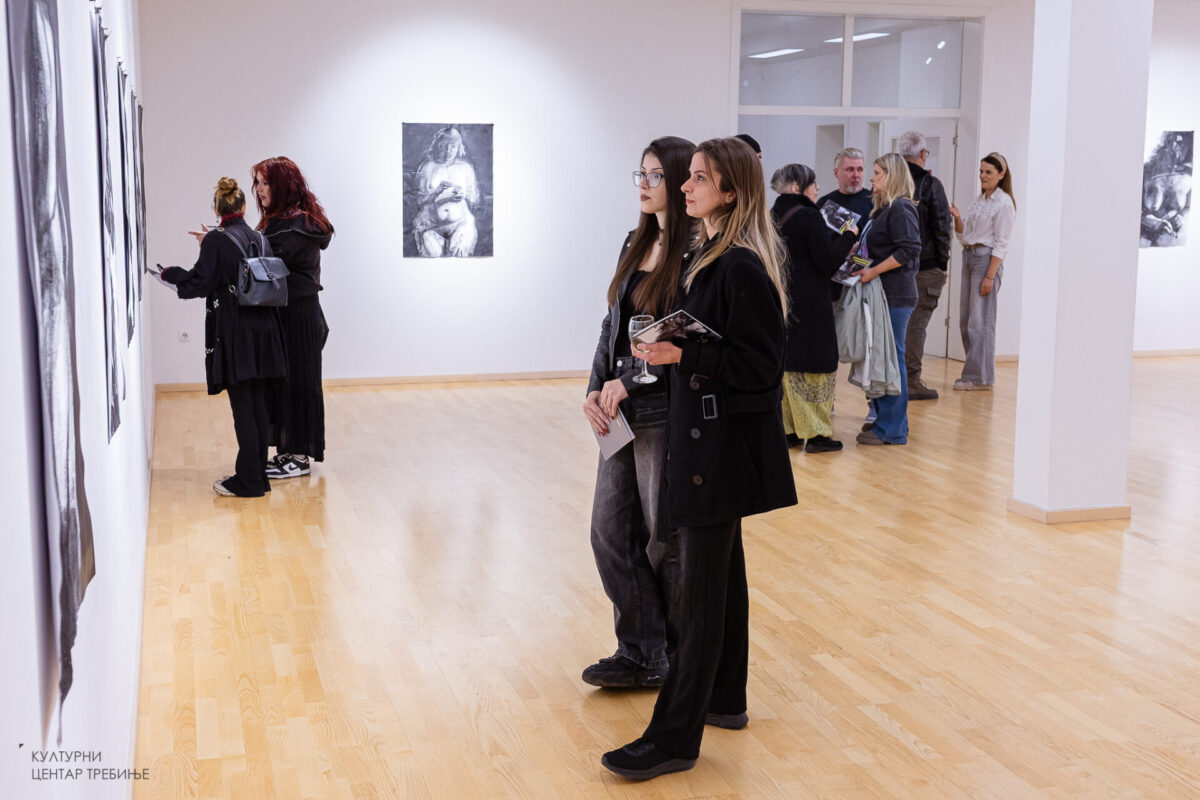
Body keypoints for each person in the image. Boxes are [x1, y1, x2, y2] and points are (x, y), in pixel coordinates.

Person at [601, 137, 797, 780]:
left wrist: (685, 354)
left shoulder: (739, 266)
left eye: (699, 179)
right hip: (704, 443)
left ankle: (674, 738)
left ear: (730, 192)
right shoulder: (708, 260)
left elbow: (763, 370)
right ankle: (725, 698)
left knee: (702, 598)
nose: (685, 188)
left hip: (717, 453)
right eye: (685, 178)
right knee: (724, 579)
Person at [581, 136, 694, 689]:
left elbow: (680, 338)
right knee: (609, 532)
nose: (644, 185)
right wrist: (594, 387)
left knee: (661, 540)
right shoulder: (636, 240)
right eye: (641, 175)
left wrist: (625, 383)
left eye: (655, 175)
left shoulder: (696, 252)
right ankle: (641, 650)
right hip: (620, 409)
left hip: (661, 409)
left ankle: (668, 656)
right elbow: (613, 324)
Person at [161, 178, 287, 497]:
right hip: (267, 332)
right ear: (243, 207)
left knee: (243, 407)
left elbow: (199, 282)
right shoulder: (259, 236)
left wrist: (169, 273)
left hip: (238, 332)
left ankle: (249, 482)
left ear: (217, 209)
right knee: (257, 406)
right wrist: (210, 243)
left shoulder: (217, 240)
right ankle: (257, 476)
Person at [251, 157, 335, 479]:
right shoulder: (281, 221)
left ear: (283, 186)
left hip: (299, 315)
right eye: (258, 183)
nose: (259, 190)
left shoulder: (297, 226)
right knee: (284, 384)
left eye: (265, 183)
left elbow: (263, 259)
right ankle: (288, 451)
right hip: (286, 313)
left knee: (300, 383)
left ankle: (298, 457)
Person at [769, 163, 856, 453]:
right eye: (813, 183)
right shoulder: (810, 215)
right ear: (797, 187)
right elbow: (826, 261)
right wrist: (849, 236)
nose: (817, 188)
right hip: (812, 304)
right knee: (818, 363)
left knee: (790, 363)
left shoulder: (771, 216)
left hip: (784, 301)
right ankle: (818, 435)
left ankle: (791, 430)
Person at [853, 153, 922, 446]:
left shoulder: (901, 208)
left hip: (894, 295)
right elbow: (877, 251)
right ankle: (885, 420)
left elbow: (909, 250)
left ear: (892, 176)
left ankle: (892, 428)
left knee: (892, 361)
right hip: (881, 294)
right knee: (881, 359)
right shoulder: (882, 210)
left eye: (877, 173)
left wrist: (873, 271)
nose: (871, 178)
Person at [950, 152, 1016, 391]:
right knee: (966, 320)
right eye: (981, 171)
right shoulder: (979, 201)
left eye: (988, 172)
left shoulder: (1004, 203)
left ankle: (978, 377)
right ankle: (976, 374)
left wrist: (990, 275)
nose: (983, 176)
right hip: (969, 256)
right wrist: (958, 218)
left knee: (980, 321)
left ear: (1001, 174)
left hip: (986, 261)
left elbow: (1002, 243)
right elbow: (965, 236)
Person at [898, 132, 952, 400]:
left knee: (899, 323)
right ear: (922, 155)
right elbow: (942, 226)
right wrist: (943, 264)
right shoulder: (930, 185)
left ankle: (895, 379)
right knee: (916, 323)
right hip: (925, 266)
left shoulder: (892, 182)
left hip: (894, 267)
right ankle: (911, 381)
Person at [412, 127, 480, 257]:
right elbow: (419, 201)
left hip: (461, 224)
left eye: (452, 147)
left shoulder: (465, 168)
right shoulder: (427, 167)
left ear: (459, 148)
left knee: (459, 259)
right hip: (431, 227)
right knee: (433, 258)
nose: (448, 150)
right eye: (444, 146)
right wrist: (436, 192)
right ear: (437, 145)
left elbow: (474, 199)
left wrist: (463, 195)